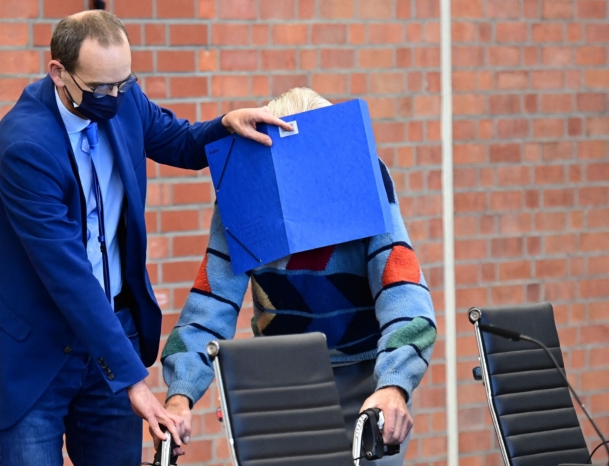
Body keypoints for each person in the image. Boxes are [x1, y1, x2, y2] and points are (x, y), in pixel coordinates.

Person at [0, 10, 292, 466]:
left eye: (124, 82)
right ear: (58, 72)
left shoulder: (123, 99)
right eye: (101, 88)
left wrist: (226, 124)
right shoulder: (25, 148)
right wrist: (135, 382)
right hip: (31, 354)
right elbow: (68, 276)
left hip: (112, 335)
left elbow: (181, 142)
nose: (115, 98)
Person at [161, 88, 437, 465]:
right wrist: (180, 394)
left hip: (366, 380)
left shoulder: (361, 177)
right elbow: (211, 304)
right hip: (282, 381)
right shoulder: (244, 190)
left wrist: (394, 384)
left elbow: (403, 291)